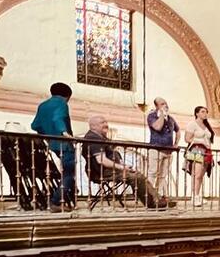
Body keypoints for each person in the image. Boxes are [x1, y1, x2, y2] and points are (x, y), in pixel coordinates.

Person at [83, 115, 163, 209]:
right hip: (103, 172)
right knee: (136, 177)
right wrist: (121, 167)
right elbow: (101, 160)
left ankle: (157, 199)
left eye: (106, 122)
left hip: (110, 170)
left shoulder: (100, 137)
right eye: (102, 123)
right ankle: (152, 203)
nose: (106, 124)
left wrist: (123, 165)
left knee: (138, 174)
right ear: (93, 126)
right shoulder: (93, 138)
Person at [31, 82, 74, 212]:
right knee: (69, 174)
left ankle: (63, 198)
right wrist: (64, 133)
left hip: (50, 144)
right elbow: (57, 118)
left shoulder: (43, 105)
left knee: (64, 173)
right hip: (64, 144)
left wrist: (47, 135)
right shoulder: (62, 103)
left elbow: (35, 125)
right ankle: (55, 202)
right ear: (67, 96)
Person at [146, 97, 180, 207]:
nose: (165, 105)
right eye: (162, 104)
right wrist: (161, 115)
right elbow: (158, 127)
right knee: (153, 173)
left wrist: (176, 144)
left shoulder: (171, 119)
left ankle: (159, 197)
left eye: (166, 103)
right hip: (156, 149)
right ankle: (149, 197)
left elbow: (178, 130)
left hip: (168, 151)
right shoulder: (152, 116)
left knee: (163, 175)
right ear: (157, 106)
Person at [184, 106, 214, 207]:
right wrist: (199, 141)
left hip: (206, 150)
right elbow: (187, 138)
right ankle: (195, 196)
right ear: (197, 113)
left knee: (201, 174)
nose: (205, 113)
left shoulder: (206, 125)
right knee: (196, 173)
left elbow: (209, 138)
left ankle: (197, 194)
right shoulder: (192, 124)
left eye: (206, 112)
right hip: (196, 149)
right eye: (203, 111)